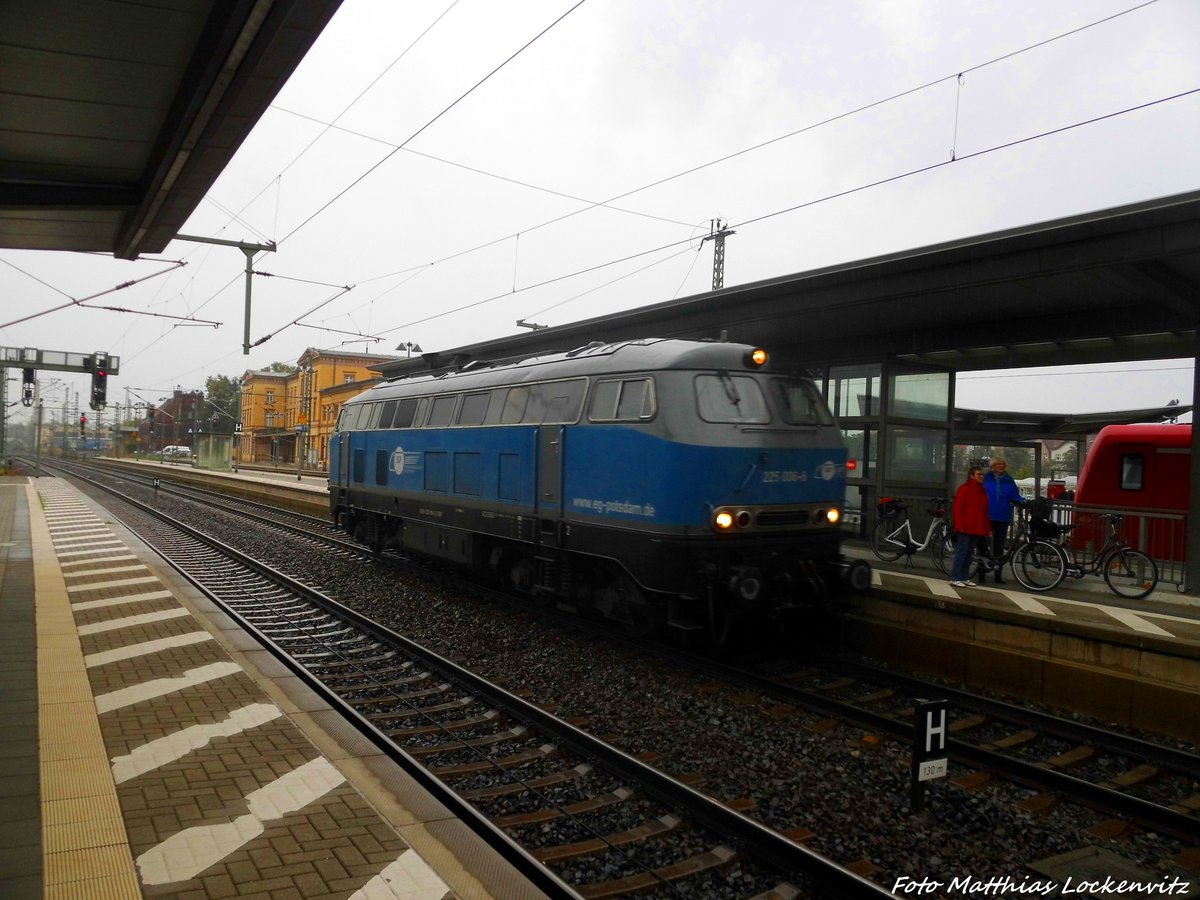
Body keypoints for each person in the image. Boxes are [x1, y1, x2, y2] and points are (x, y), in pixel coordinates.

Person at [982, 457, 1024, 584]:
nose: (1001, 466)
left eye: (1003, 464)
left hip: (1003, 515)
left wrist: (1024, 502)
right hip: (987, 515)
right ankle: (981, 572)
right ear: (993, 466)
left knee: (999, 546)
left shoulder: (1009, 480)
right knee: (983, 544)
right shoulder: (986, 478)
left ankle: (997, 574)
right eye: (998, 464)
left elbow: (1015, 495)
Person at [950, 466, 991, 587]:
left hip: (976, 525)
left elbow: (984, 510)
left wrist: (987, 527)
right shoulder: (964, 489)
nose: (981, 476)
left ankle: (964, 577)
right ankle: (956, 577)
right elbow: (958, 508)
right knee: (962, 551)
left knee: (969, 553)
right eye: (979, 474)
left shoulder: (982, 490)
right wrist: (959, 524)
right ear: (971, 476)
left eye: (982, 474)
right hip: (966, 525)